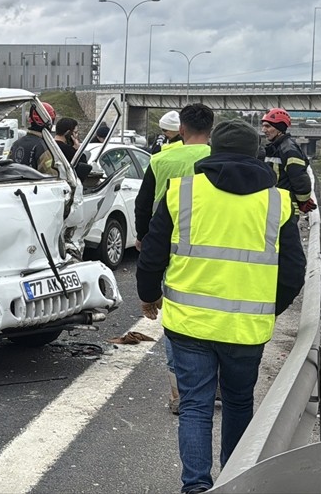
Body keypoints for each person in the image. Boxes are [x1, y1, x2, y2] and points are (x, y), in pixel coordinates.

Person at [136, 120, 306, 494]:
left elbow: (151, 254)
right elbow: (294, 272)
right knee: (237, 403)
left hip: (189, 325)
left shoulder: (182, 192)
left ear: (212, 151)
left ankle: (195, 487)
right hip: (246, 330)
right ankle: (234, 482)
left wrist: (149, 296)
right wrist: (265, 307)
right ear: (256, 153)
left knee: (195, 405)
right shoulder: (278, 201)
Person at [132, 103, 215, 414]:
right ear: (210, 131)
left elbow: (143, 204)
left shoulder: (161, 158)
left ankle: (179, 392)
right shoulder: (216, 158)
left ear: (181, 130)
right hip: (211, 244)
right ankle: (213, 385)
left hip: (168, 245)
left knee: (177, 317)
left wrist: (143, 238)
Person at [260, 107, 316, 214]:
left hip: (286, 207)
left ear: (279, 128)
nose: (263, 130)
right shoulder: (275, 148)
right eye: (263, 126)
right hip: (275, 205)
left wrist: (303, 201)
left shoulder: (289, 150)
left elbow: (299, 178)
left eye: (268, 126)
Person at [9, 101, 55, 169]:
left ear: (30, 119)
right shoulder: (44, 147)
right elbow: (51, 176)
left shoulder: (16, 144)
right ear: (49, 122)